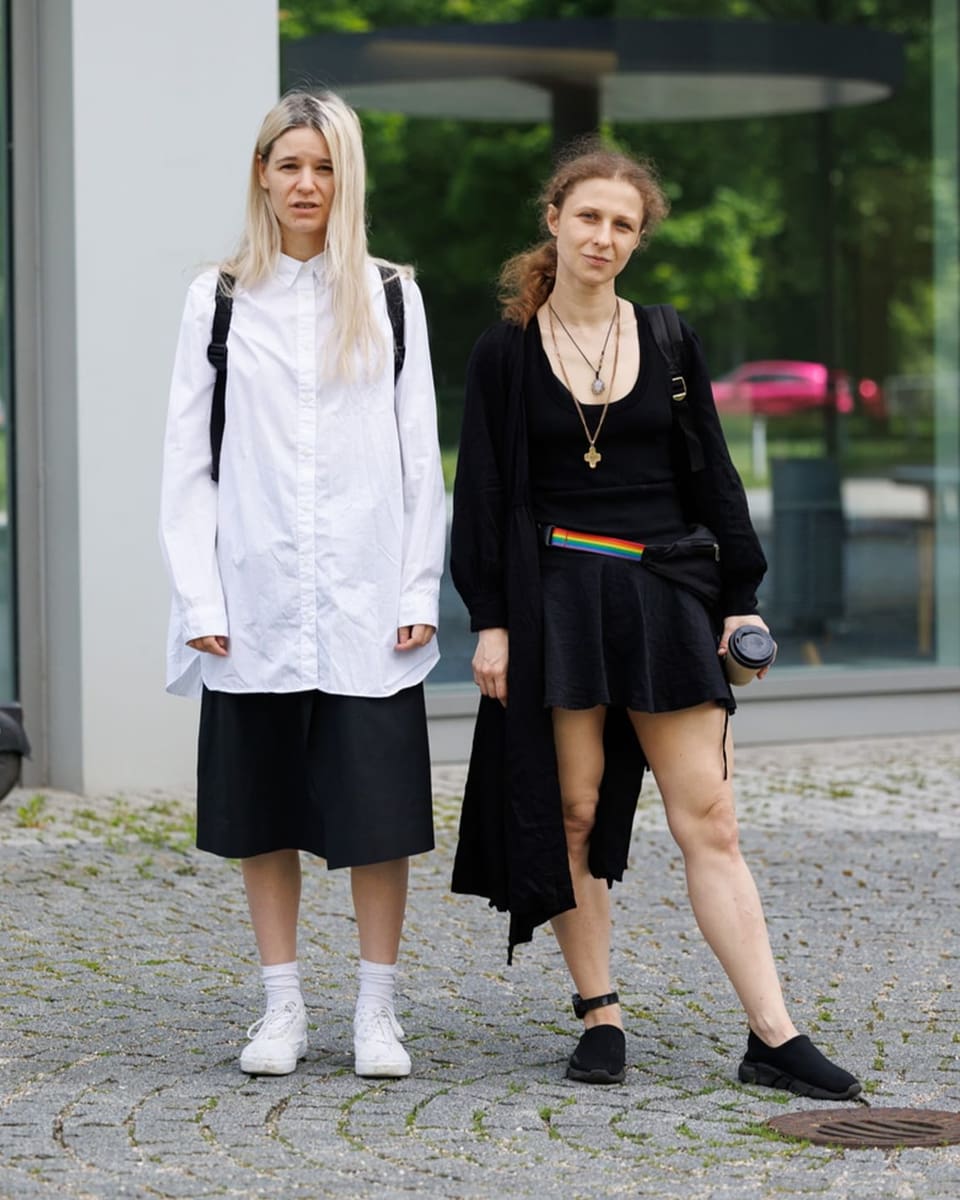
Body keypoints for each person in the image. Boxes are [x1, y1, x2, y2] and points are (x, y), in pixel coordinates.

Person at [449, 142, 861, 1100]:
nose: (603, 236)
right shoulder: (505, 350)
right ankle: (600, 1015)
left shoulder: (668, 340)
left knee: (709, 818)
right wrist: (493, 621)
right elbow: (484, 492)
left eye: (623, 224)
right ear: (554, 218)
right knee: (576, 812)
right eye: (589, 216)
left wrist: (739, 599)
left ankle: (773, 1034)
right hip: (558, 599)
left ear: (639, 239)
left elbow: (711, 474)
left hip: (666, 593)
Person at [160, 91, 446, 1080]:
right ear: (261, 174)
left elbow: (421, 461)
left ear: (345, 177)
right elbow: (187, 462)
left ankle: (377, 1011)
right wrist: (201, 597)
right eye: (289, 165)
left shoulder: (394, 296)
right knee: (266, 811)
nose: (306, 184)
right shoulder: (219, 298)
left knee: (377, 821)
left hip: (369, 601)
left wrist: (418, 588)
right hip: (256, 601)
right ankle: (280, 1006)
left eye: (323, 166)